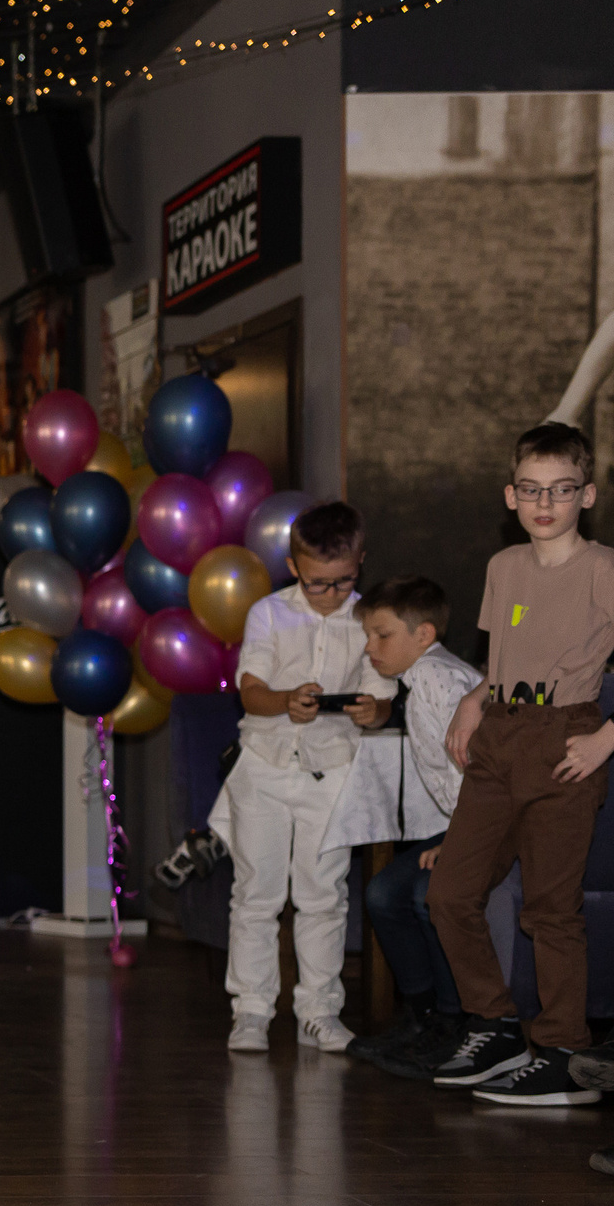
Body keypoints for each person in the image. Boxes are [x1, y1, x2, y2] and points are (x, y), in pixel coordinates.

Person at [429, 424, 614, 1104]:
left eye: (561, 490)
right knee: (450, 893)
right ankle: (496, 1025)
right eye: (532, 490)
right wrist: (475, 699)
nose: (545, 503)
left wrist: (606, 739)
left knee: (551, 909)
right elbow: (508, 657)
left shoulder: (603, 568)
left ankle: (564, 1053)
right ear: (511, 495)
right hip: (501, 737)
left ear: (585, 495)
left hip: (565, 740)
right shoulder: (503, 567)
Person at [217, 501, 394, 1054]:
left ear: (360, 563)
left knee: (324, 895)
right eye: (318, 583)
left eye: (344, 581)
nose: (331, 594)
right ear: (294, 567)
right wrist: (286, 701)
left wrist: (372, 711)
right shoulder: (269, 613)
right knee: (256, 894)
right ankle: (251, 1010)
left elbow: (383, 700)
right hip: (265, 765)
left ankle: (319, 1011)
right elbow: (251, 691)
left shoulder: (370, 620)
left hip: (332, 768)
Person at [348, 576, 482, 1078]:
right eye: (369, 635)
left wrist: (457, 841)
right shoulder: (421, 676)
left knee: (429, 894)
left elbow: (484, 773)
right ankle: (423, 1016)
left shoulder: (440, 680)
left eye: (382, 635)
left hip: (484, 826)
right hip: (463, 825)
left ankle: (453, 1021)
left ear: (423, 635)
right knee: (383, 893)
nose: (370, 647)